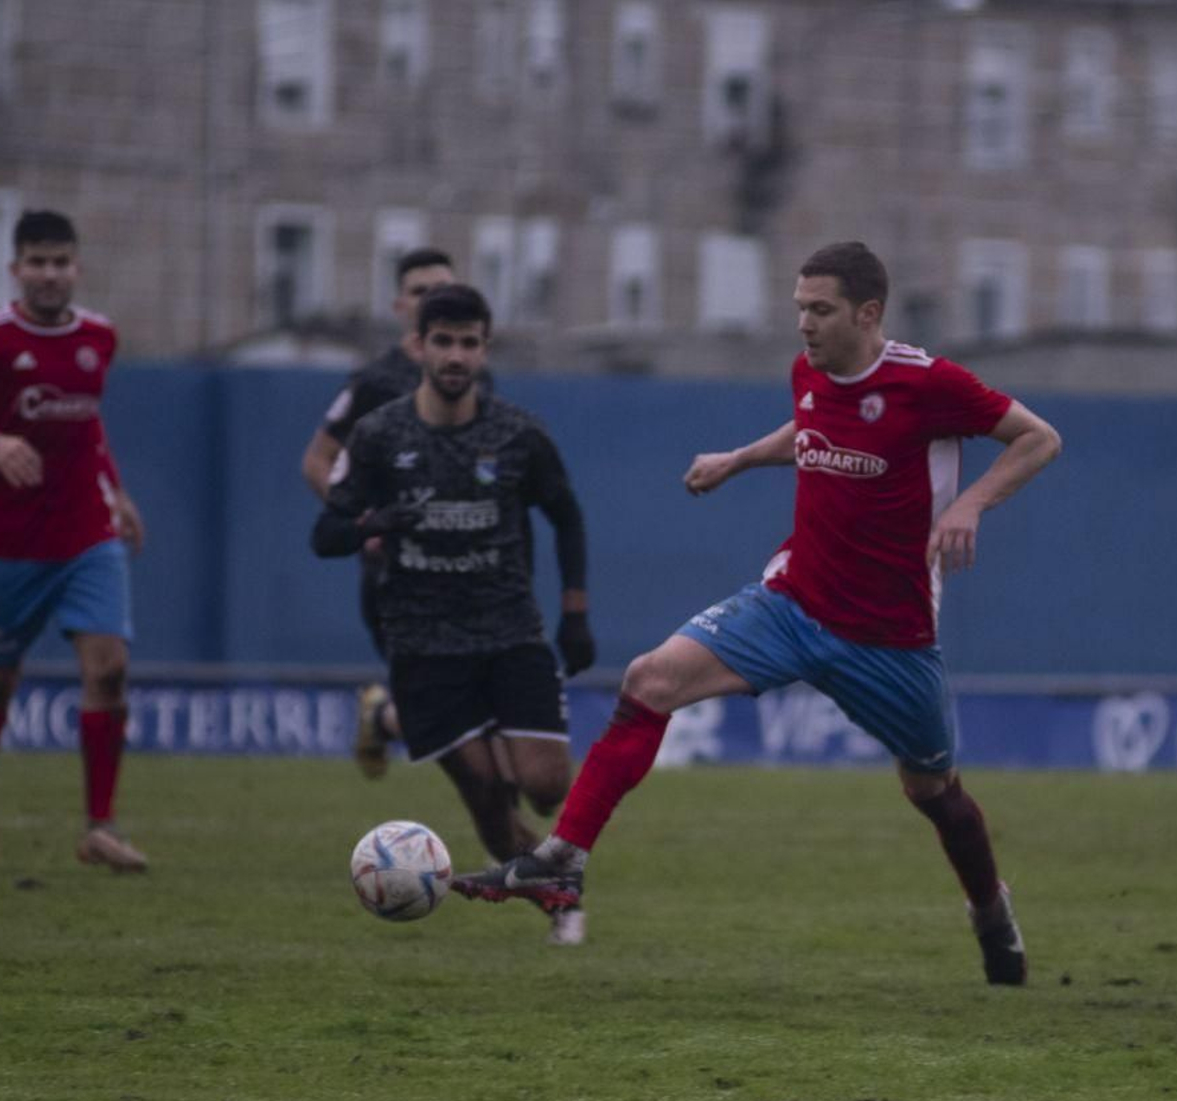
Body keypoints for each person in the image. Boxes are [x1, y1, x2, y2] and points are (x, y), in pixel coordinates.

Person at [452, 241, 1061, 985]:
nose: (803, 324)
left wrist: (970, 503)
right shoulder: (809, 370)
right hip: (792, 603)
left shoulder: (928, 383)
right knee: (650, 680)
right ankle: (562, 860)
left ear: (868, 313)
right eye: (799, 307)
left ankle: (990, 910)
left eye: (821, 309)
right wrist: (739, 458)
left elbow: (1038, 437)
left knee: (933, 792)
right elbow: (810, 432)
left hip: (891, 639)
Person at [311, 283, 596, 945]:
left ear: (484, 347)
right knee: (487, 796)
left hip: (510, 628)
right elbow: (324, 534)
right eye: (444, 341)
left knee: (547, 787)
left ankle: (385, 716)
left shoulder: (517, 432)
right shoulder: (380, 434)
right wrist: (373, 521)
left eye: (469, 342)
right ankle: (557, 903)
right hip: (424, 640)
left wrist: (575, 611)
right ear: (419, 345)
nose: (456, 355)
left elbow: (567, 514)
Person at [0, 209, 148, 875]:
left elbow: (87, 427)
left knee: (108, 665)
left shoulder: (100, 337)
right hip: (7, 539)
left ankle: (100, 826)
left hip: (86, 530)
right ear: (16, 269)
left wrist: (118, 492)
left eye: (61, 262)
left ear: (77, 267)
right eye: (37, 262)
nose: (50, 274)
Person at [300, 248, 492, 778]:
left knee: (482, 698)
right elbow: (318, 460)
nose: (434, 299)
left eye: (443, 287)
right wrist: (364, 525)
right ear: (398, 306)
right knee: (445, 707)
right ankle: (388, 717)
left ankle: (384, 716)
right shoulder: (376, 381)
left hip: (469, 570)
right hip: (397, 575)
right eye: (421, 291)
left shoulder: (477, 377)